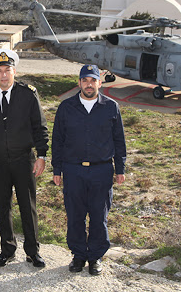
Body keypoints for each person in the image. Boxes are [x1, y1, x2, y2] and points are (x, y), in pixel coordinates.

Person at [0, 49, 48, 268]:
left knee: (28, 206)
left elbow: (39, 126)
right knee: (2, 206)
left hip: (24, 159)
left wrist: (42, 155)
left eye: (8, 70)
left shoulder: (28, 94)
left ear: (14, 71)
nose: (4, 75)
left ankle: (33, 252)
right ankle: (7, 250)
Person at [51, 64, 126, 276]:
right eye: (85, 80)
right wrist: (57, 169)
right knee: (75, 215)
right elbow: (58, 140)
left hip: (101, 171)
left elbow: (119, 140)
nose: (89, 84)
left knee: (98, 215)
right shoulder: (66, 107)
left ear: (99, 83)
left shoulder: (111, 107)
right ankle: (78, 255)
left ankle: (95, 256)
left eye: (93, 80)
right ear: (79, 83)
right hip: (73, 170)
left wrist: (120, 168)